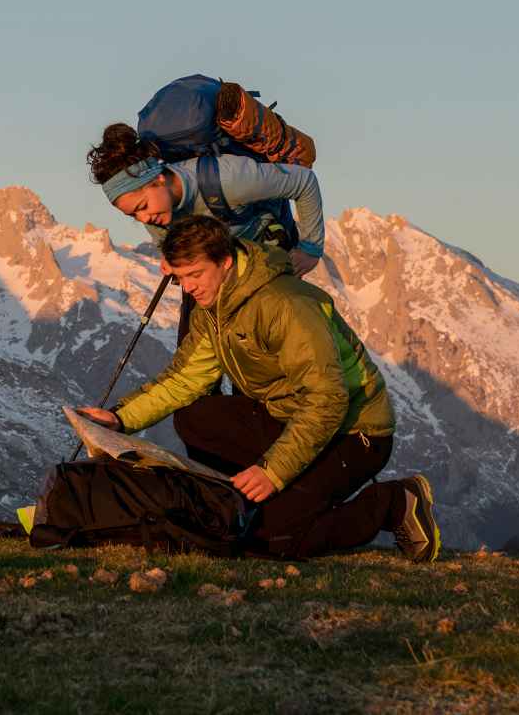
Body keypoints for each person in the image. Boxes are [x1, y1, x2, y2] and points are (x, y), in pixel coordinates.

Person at [75, 216, 439, 561]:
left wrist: (273, 471)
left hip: (354, 433)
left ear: (227, 261)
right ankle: (269, 501)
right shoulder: (214, 308)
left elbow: (327, 401)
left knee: (272, 540)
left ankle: (394, 502)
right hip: (286, 419)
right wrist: (119, 418)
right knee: (195, 416)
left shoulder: (285, 305)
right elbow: (185, 380)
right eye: (181, 278)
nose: (188, 288)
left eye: (196, 275)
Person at [87, 123, 324, 277]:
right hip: (219, 267)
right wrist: (171, 260)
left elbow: (304, 181)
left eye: (142, 207)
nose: (143, 218)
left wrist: (311, 248)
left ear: (158, 180)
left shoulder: (227, 179)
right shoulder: (157, 213)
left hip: (264, 251)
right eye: (132, 215)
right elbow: (167, 245)